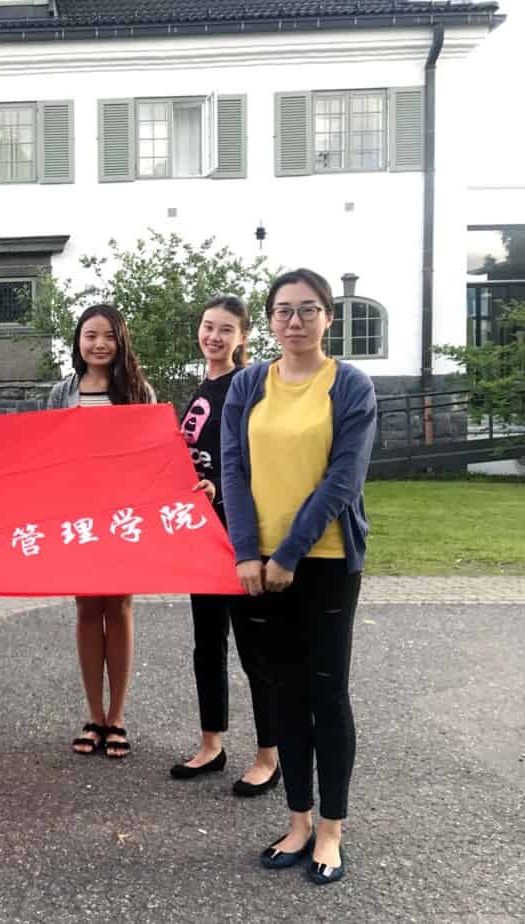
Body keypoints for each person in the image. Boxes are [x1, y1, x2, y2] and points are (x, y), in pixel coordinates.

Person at [221, 268, 376, 885]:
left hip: (326, 561)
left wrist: (288, 553)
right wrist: (246, 551)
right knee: (283, 692)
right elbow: (234, 468)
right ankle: (298, 820)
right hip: (258, 563)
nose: (294, 321)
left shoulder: (351, 386)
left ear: (328, 318)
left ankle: (332, 830)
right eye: (283, 311)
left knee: (326, 693)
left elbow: (344, 477)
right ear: (269, 319)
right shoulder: (249, 383)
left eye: (308, 310)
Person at [170, 297, 280, 796]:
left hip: (239, 538)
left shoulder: (249, 384)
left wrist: (223, 491)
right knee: (207, 645)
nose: (214, 336)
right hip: (201, 537)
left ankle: (269, 755)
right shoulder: (203, 388)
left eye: (226, 329)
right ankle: (211, 744)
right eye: (208, 327)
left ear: (243, 337)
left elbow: (256, 457)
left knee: (256, 651)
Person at [45, 304, 154, 760]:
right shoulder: (61, 393)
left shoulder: (139, 392)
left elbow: (153, 456)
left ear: (120, 340)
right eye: (90, 335)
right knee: (88, 609)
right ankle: (94, 715)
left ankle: (118, 717)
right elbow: (46, 452)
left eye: (108, 335)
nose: (99, 344)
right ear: (78, 341)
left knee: (121, 608)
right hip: (77, 519)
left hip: (124, 518)